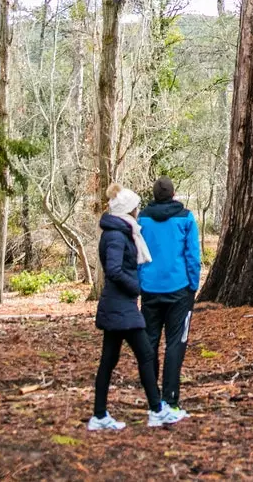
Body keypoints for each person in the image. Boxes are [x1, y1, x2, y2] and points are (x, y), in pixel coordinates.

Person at [89, 187, 184, 431]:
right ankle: (156, 410)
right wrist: (136, 288)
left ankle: (100, 415)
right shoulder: (116, 236)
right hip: (121, 306)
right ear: (128, 210)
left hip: (119, 306)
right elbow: (114, 270)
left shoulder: (119, 232)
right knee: (145, 355)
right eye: (135, 207)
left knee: (109, 360)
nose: (138, 210)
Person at [138, 176, 202, 412]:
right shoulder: (186, 218)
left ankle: (153, 399)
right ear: (173, 194)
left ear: (154, 195)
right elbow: (192, 255)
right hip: (179, 289)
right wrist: (193, 286)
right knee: (176, 343)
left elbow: (138, 254)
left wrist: (139, 282)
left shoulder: (142, 218)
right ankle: (171, 399)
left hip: (150, 289)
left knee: (150, 342)